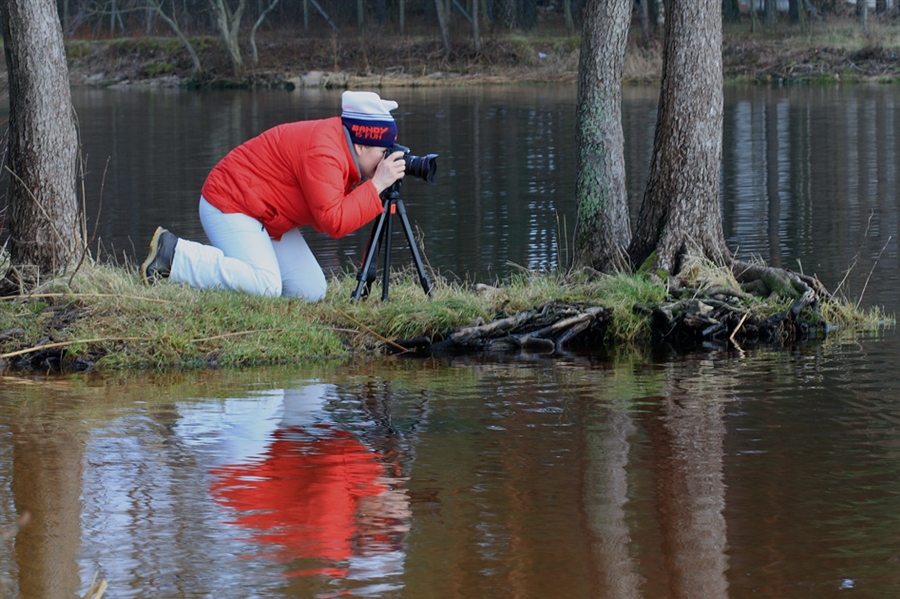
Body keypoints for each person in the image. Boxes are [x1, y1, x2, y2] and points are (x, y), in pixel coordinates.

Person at [140, 90, 406, 301]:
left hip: (266, 214)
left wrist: (372, 184)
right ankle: (175, 255)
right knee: (266, 286)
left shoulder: (340, 148)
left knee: (310, 290)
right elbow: (333, 222)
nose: (386, 161)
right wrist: (376, 185)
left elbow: (325, 212)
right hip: (230, 201)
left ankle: (246, 288)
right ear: (360, 144)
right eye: (383, 153)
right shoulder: (324, 152)